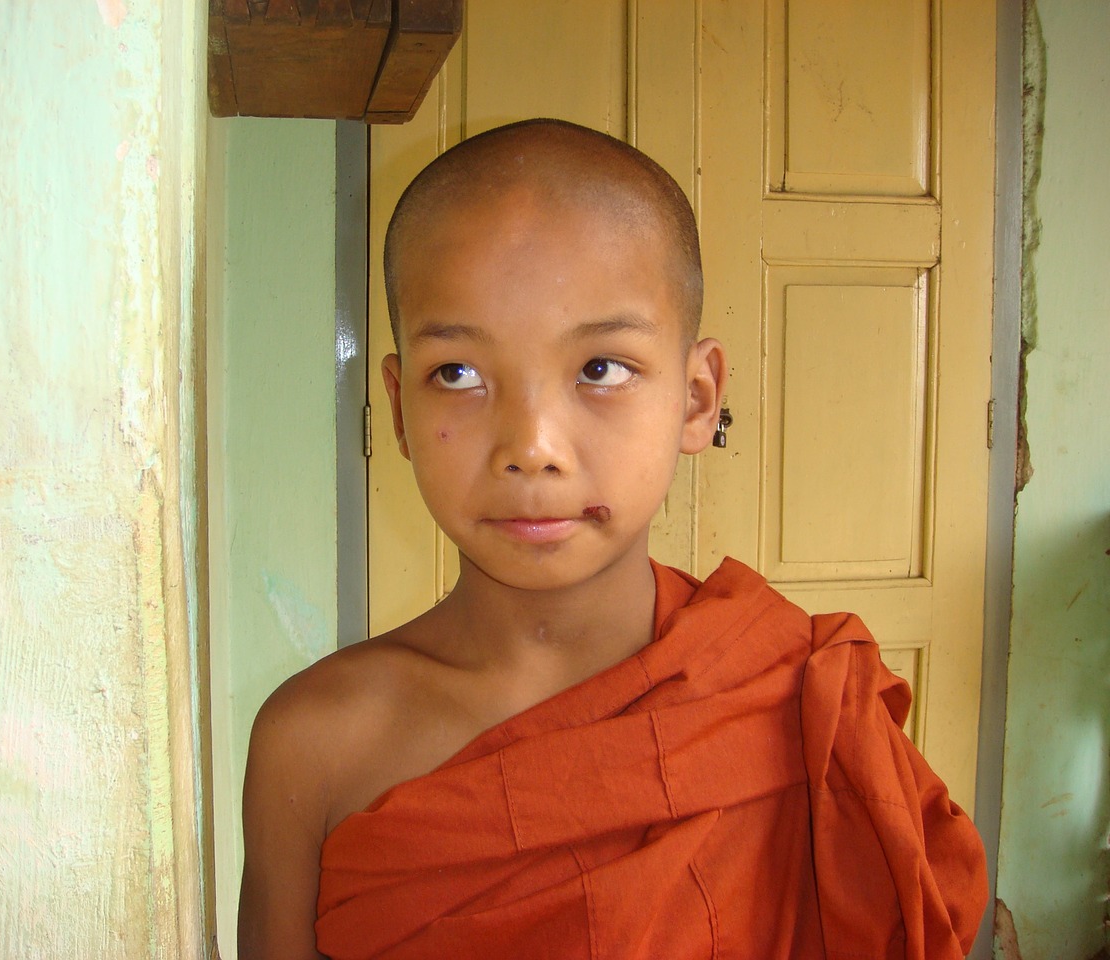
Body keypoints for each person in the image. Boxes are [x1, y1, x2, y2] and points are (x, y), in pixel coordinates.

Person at [236, 119, 987, 960]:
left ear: (698, 398)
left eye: (601, 369)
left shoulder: (793, 704)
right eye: (458, 374)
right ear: (400, 406)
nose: (533, 445)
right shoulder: (316, 744)